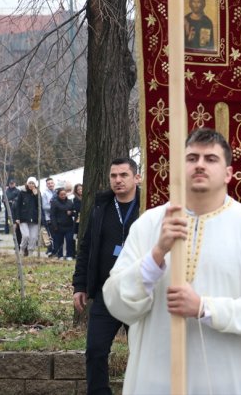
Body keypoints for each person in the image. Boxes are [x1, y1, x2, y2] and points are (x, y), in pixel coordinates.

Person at [102, 129, 241, 393]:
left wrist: (204, 307)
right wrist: (156, 255)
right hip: (158, 378)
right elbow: (116, 302)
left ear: (228, 173)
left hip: (228, 380)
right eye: (191, 158)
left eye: (211, 159)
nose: (199, 164)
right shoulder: (149, 225)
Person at [72, 158, 141, 394]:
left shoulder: (148, 208)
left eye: (124, 175)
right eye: (114, 176)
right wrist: (80, 285)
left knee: (143, 352)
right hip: (106, 292)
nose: (118, 180)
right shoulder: (101, 207)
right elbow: (87, 247)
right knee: (95, 350)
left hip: (139, 294)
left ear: (136, 178)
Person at [15, 177, 42, 257]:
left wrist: (36, 195)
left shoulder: (37, 193)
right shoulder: (22, 192)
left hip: (34, 218)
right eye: (29, 183)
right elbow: (18, 206)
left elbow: (39, 205)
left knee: (33, 237)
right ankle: (22, 249)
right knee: (26, 235)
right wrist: (17, 217)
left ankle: (30, 252)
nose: (31, 185)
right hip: (23, 218)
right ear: (27, 183)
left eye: (33, 183)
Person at [51, 188, 75, 260]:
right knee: (59, 241)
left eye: (64, 194)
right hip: (59, 225)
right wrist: (54, 225)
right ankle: (60, 255)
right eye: (61, 195)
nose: (63, 196)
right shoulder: (54, 202)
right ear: (58, 195)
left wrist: (71, 213)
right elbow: (53, 214)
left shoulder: (70, 202)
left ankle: (69, 255)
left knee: (69, 240)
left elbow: (74, 212)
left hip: (69, 225)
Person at [41, 177, 56, 257]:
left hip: (57, 218)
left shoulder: (57, 192)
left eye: (51, 183)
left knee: (56, 235)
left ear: (54, 184)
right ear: (46, 185)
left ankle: (55, 250)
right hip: (49, 218)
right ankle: (50, 250)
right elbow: (45, 206)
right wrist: (55, 207)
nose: (50, 184)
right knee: (51, 235)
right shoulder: (45, 194)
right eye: (48, 183)